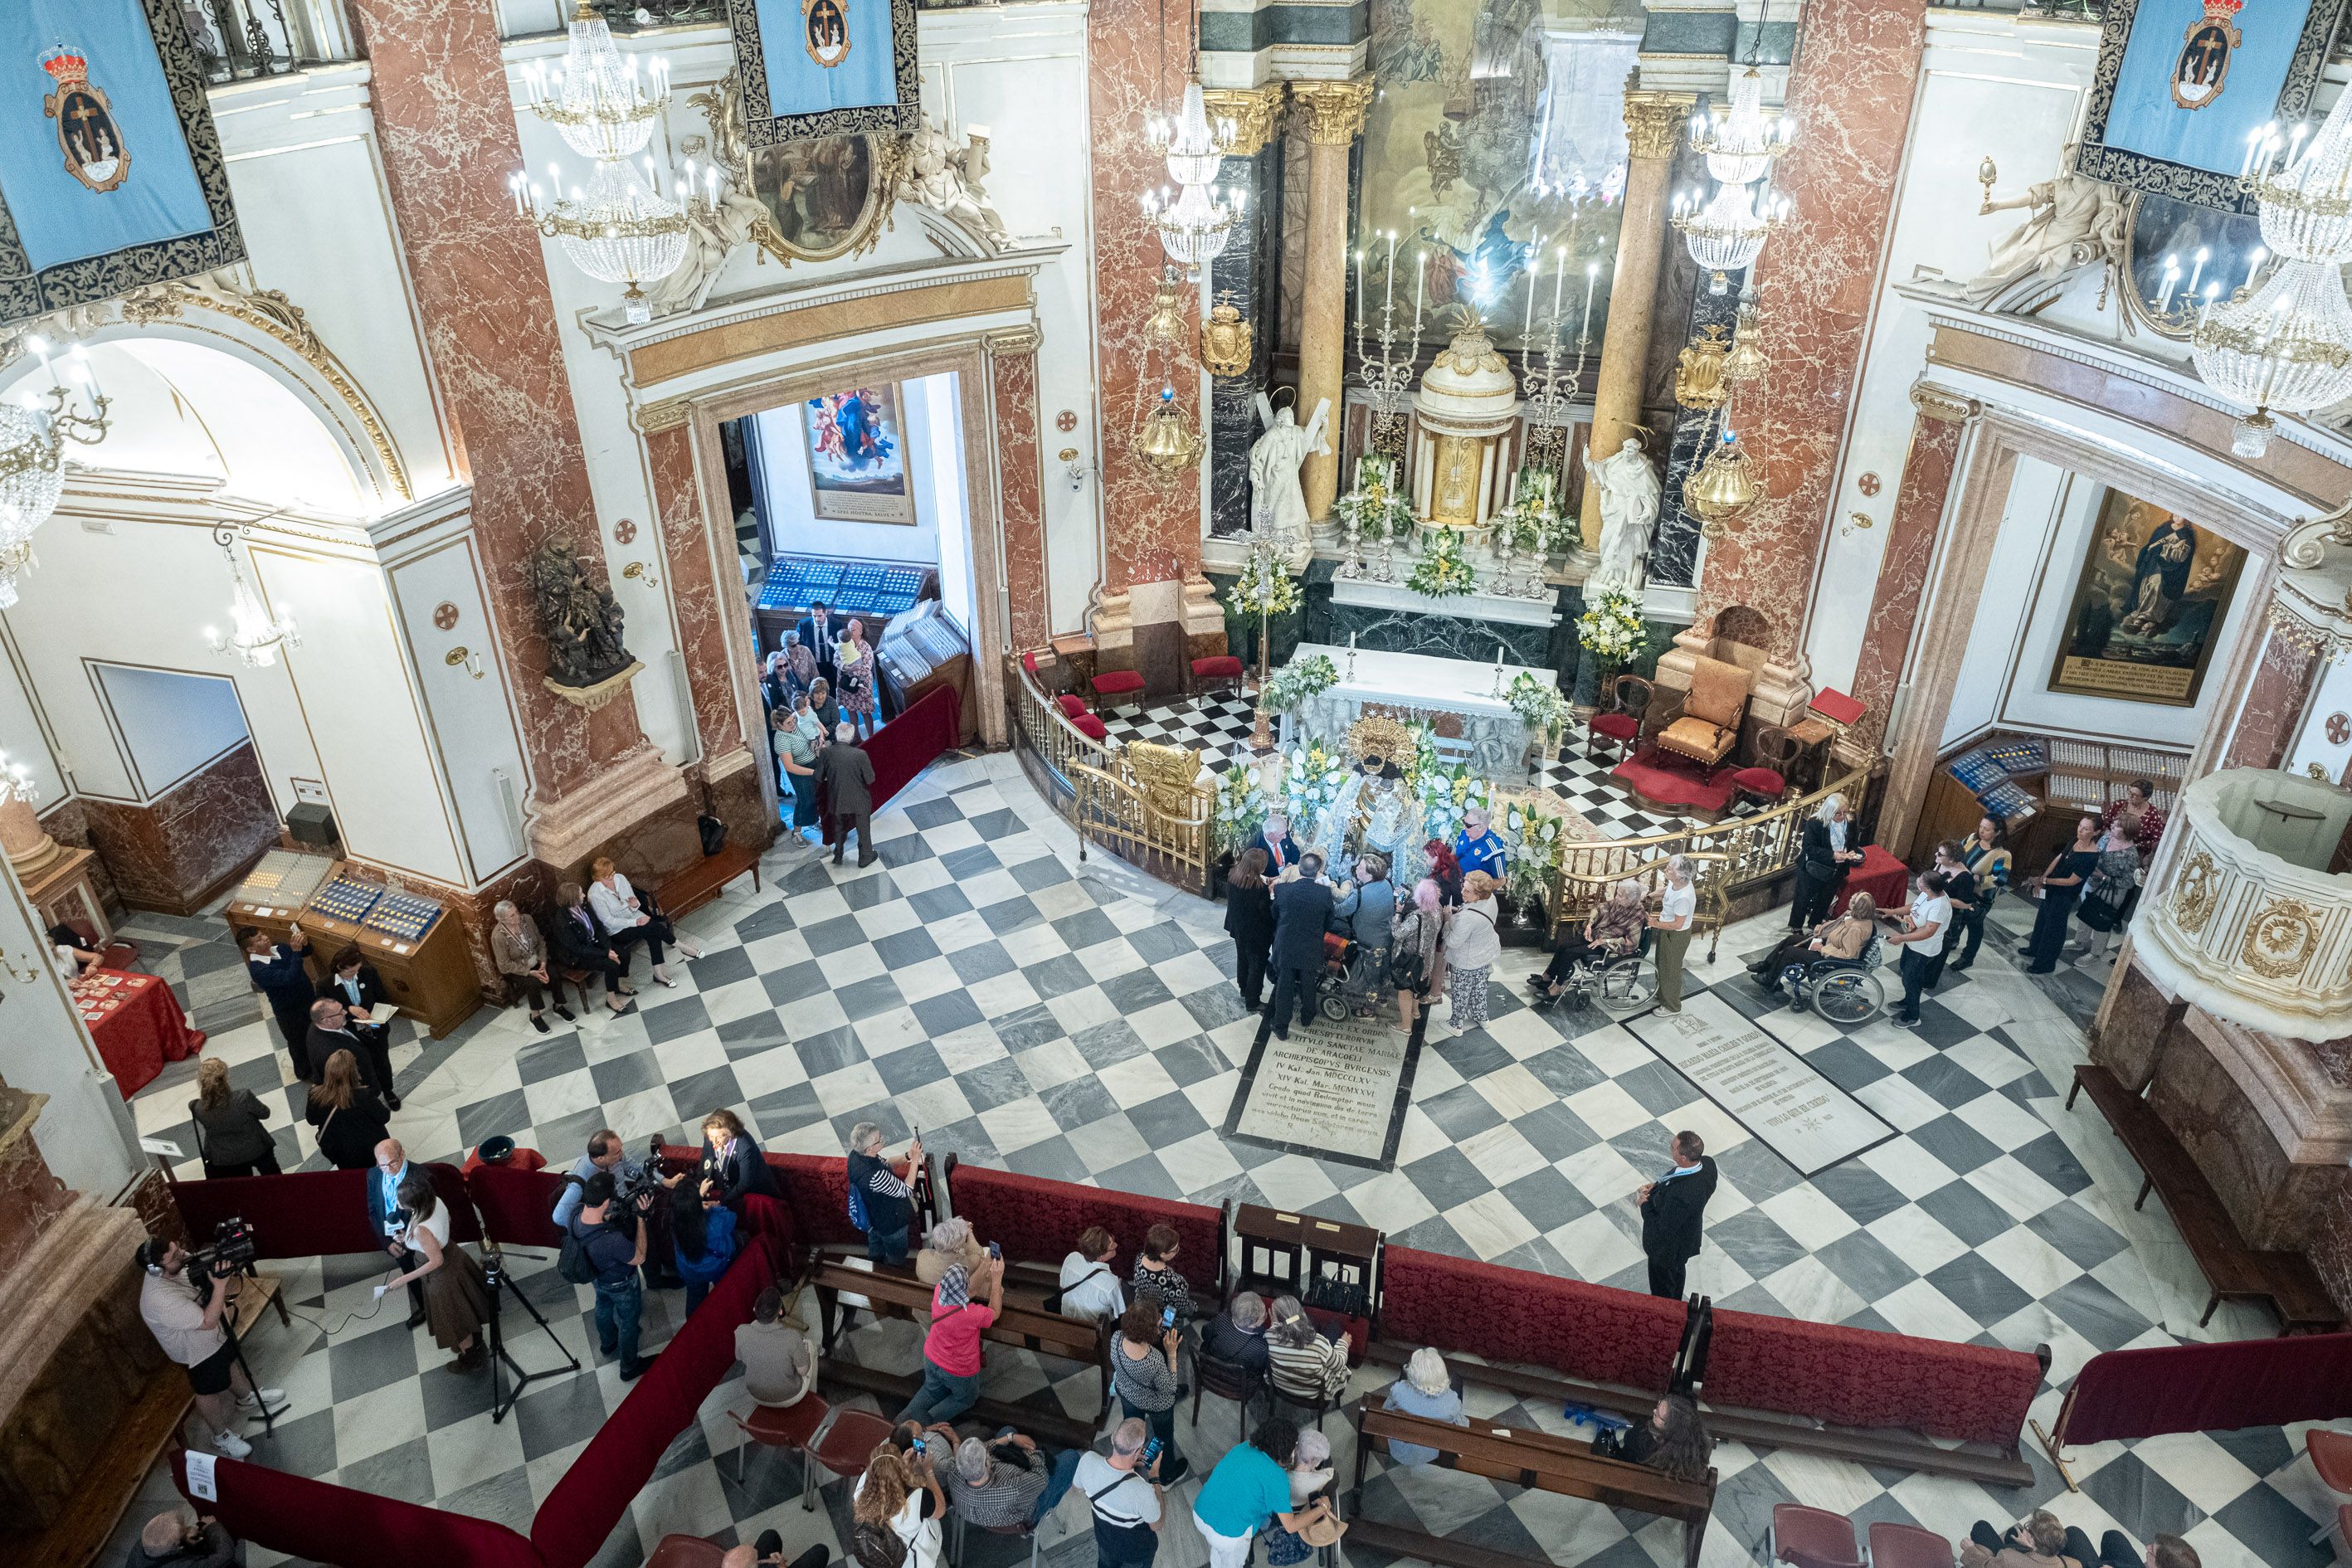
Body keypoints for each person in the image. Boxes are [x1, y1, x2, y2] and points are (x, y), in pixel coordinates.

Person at [136, 1237, 286, 1460]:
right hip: (194, 1349)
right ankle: (220, 1436)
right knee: (208, 1390)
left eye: (178, 1250)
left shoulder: (175, 1264)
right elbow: (207, 1322)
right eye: (175, 1257)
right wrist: (220, 1286)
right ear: (157, 1270)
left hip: (209, 1330)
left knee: (228, 1360)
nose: (182, 1256)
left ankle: (246, 1398)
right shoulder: (159, 1299)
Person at [378, 1172, 492, 1371]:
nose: (397, 1203)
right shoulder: (435, 1201)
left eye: (400, 1200)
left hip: (443, 1277)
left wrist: (403, 1279)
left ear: (413, 1204)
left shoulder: (422, 1228)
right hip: (455, 1258)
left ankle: (472, 1358)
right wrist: (410, 1237)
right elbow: (444, 1223)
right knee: (466, 1308)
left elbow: (436, 1260)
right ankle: (476, 1341)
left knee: (456, 1320)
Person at [1191, 1419, 1333, 1568]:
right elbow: (1291, 1526)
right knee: (1232, 1562)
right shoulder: (1277, 1478)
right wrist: (1322, 1508)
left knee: (1220, 1550)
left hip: (1201, 1511)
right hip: (1228, 1534)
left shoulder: (1244, 1447)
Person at [570, 1171, 655, 1380]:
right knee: (628, 1321)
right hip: (621, 1283)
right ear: (607, 1201)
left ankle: (608, 1343)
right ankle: (629, 1366)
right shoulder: (612, 1241)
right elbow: (640, 1257)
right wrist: (641, 1218)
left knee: (603, 1305)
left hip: (596, 1276)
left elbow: (599, 1220)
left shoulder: (576, 1214)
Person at [899, 1259, 1001, 1425]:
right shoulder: (972, 1315)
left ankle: (901, 1424)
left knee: (931, 1391)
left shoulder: (939, 1291)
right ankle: (924, 1425)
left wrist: (985, 1266)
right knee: (965, 1399)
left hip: (932, 1357)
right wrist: (997, 1279)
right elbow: (995, 1312)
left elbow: (968, 1291)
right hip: (958, 1370)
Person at [1255, 851, 1335, 1045]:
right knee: (1308, 981)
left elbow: (1274, 914)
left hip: (1287, 945)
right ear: (1318, 872)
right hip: (1310, 945)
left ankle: (1281, 1026)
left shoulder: (1283, 890)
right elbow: (1329, 922)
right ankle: (1308, 1016)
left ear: (1299, 869)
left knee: (1285, 984)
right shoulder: (1324, 893)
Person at [1531, 878, 1646, 1006]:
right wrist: (1589, 925)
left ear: (1630, 899)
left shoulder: (1637, 915)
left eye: (1620, 896)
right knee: (1563, 945)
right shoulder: (1620, 902)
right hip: (1597, 935)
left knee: (1570, 953)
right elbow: (1600, 907)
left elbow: (1632, 943)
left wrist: (1606, 940)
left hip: (1608, 947)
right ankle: (1547, 977)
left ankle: (1556, 988)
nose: (1616, 897)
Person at [590, 856, 701, 987]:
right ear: (598, 878)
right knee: (653, 928)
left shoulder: (620, 878)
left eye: (612, 873)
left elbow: (634, 901)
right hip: (618, 930)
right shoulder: (595, 894)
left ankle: (659, 974)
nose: (612, 878)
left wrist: (634, 906)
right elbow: (609, 922)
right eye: (607, 877)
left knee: (652, 931)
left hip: (635, 915)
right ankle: (682, 948)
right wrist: (635, 921)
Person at [1111, 1297, 1189, 1483]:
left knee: (1132, 1431)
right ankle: (1167, 1474)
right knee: (1163, 1438)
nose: (1161, 1319)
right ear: (1150, 1334)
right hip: (1156, 1404)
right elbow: (1169, 1388)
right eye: (1158, 1322)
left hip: (1127, 1393)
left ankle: (1131, 1461)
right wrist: (1171, 1353)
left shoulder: (1116, 1338)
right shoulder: (1153, 1359)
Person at [947, 1428, 1082, 1531]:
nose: (987, 1451)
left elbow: (981, 1449)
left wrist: (1009, 1438)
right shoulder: (1012, 1488)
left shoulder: (955, 1473)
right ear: (987, 1464)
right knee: (1072, 1457)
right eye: (987, 1455)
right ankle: (1052, 1501)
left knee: (1007, 1430)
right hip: (1027, 1511)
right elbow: (1041, 1476)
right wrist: (1031, 1453)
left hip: (989, 1516)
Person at [1637, 1130, 1717, 1301]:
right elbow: (1677, 1177)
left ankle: (1667, 1314)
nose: (1670, 1149)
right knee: (1677, 1272)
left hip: (1667, 1249)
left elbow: (1661, 1228)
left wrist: (1644, 1205)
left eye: (1673, 1148)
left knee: (1664, 1287)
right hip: (1686, 1237)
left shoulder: (1681, 1197)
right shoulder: (1708, 1165)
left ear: (1684, 1158)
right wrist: (1658, 1186)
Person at [1747, 894, 1877, 998]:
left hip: (1832, 958)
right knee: (1792, 939)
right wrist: (1842, 917)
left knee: (1791, 952)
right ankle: (1766, 965)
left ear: (1859, 908)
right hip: (1830, 945)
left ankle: (1770, 979)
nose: (1850, 899)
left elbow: (1847, 954)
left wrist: (1822, 949)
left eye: (1853, 900)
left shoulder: (1856, 929)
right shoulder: (1854, 918)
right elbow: (1830, 929)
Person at [1076, 1418, 1165, 1568]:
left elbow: (1078, 1488)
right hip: (1135, 1553)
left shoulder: (1087, 1460)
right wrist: (1155, 1477)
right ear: (1137, 1450)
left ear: (1113, 1437)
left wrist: (1129, 1463)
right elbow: (1157, 1524)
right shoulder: (1142, 1490)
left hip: (1105, 1542)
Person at [317, 947, 397, 1104]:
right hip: (351, 1033)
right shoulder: (325, 984)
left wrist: (377, 1015)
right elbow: (323, 1012)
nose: (354, 974)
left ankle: (389, 1091)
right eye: (351, 972)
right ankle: (371, 1096)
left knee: (382, 1060)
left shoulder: (368, 973)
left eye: (357, 971)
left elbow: (382, 997)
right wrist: (348, 1009)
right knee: (362, 1066)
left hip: (374, 1027)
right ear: (340, 968)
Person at [2023, 816, 2102, 974]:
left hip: (2064, 895)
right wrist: (2042, 878)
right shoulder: (2075, 840)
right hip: (2052, 887)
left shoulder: (2091, 857)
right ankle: (2034, 948)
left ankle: (2045, 963)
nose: (2080, 830)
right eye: (2080, 825)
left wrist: (2046, 881)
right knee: (2042, 920)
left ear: (2096, 832)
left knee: (2053, 929)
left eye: (2086, 828)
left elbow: (2072, 881)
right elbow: (2059, 858)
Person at [365, 1137, 429, 1327]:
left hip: (419, 1238)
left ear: (402, 1154)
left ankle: (440, 1306)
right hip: (393, 1239)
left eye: (393, 1162)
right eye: (382, 1165)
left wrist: (409, 1236)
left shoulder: (421, 1175)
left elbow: (427, 1212)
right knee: (408, 1270)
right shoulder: (374, 1175)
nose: (388, 1169)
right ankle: (424, 1307)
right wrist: (387, 1243)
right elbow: (373, 1211)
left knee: (430, 1272)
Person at [549, 883, 637, 1015]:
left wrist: (608, 948)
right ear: (572, 899)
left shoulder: (584, 906)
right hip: (578, 956)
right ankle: (611, 998)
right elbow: (577, 949)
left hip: (594, 944)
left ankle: (619, 984)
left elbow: (598, 927)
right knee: (611, 965)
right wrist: (605, 953)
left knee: (624, 953)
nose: (584, 895)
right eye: (580, 894)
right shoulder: (561, 921)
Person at [240, 923, 314, 1079]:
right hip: (289, 1011)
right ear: (251, 949)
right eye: (259, 939)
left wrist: (304, 944)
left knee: (315, 1033)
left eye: (263, 934)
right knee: (298, 1042)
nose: (266, 938)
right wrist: (296, 952)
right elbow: (289, 978)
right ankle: (305, 1073)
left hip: (307, 999)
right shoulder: (259, 970)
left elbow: (304, 953)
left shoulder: (280, 947)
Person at [854, 1440, 945, 1568]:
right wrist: (928, 1471)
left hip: (885, 1554)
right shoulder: (917, 1498)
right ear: (899, 1469)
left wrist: (897, 1467)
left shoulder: (862, 1484)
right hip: (914, 1560)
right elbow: (940, 1510)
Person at [1257, 1428, 1336, 1567]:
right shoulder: (1326, 1477)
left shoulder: (1279, 1477)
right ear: (1316, 1462)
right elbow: (1332, 1474)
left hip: (1275, 1516)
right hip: (1305, 1513)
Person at [188, 1056, 277, 1178]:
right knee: (273, 1177)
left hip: (226, 1157)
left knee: (244, 1186)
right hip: (256, 1148)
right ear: (225, 1078)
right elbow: (265, 1114)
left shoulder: (196, 1107)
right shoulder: (243, 1097)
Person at [304, 1049, 391, 1173]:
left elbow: (311, 1120)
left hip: (340, 1150)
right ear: (353, 1071)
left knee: (352, 1176)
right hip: (370, 1148)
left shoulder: (315, 1095)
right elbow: (384, 1117)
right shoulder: (363, 1095)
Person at [846, 1120, 919, 1265]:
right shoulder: (876, 1176)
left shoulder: (855, 1156)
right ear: (869, 1149)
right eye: (879, 1140)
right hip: (891, 1222)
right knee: (896, 1255)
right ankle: (892, 1274)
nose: (882, 1141)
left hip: (872, 1216)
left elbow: (885, 1163)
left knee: (875, 1248)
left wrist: (907, 1156)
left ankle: (875, 1267)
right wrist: (916, 1159)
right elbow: (906, 1190)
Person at [490, 898, 569, 1032]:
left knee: (554, 973)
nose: (517, 917)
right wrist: (529, 971)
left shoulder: (527, 919)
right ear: (502, 920)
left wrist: (543, 961)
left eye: (516, 912)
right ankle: (535, 1016)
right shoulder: (498, 937)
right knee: (533, 983)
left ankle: (559, 1006)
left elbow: (540, 941)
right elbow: (504, 965)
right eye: (512, 916)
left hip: (536, 959)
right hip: (517, 968)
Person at [1884, 869, 1950, 1028]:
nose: (1917, 882)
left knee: (1911, 979)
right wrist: (1892, 911)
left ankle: (1913, 1016)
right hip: (1913, 944)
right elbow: (1914, 906)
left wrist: (1900, 938)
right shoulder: (1929, 894)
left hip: (1923, 949)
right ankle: (1908, 1000)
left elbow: (1928, 932)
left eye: (1920, 881)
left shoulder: (1939, 905)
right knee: (1905, 971)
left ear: (1927, 888)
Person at [1378, 1346, 1467, 1464]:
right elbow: (1462, 1426)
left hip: (1400, 1448)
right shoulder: (1452, 1402)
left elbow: (1385, 1412)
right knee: (1457, 1380)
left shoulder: (1398, 1390)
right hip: (1430, 1452)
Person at [1596, 1395, 1713, 1483]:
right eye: (1657, 1406)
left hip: (1631, 1479)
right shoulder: (1699, 1447)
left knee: (1606, 1434)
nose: (1654, 1411)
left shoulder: (1641, 1439)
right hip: (1665, 1490)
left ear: (1670, 1426)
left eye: (1658, 1414)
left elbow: (1627, 1442)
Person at [1439, 869, 1502, 1034]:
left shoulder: (1468, 918)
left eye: (1467, 891)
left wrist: (1447, 921)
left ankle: (1456, 1024)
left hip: (1465, 960)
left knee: (1461, 991)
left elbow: (1453, 941)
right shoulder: (1491, 899)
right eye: (1463, 887)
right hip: (1484, 953)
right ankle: (1481, 1017)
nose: (1462, 892)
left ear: (1479, 895)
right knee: (1479, 988)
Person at [1790, 794, 1864, 931]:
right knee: (1803, 898)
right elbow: (1810, 848)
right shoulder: (1815, 823)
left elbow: (1853, 841)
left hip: (1837, 868)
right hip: (1813, 867)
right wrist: (1833, 855)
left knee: (1825, 898)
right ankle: (1796, 926)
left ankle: (1815, 923)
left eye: (1845, 812)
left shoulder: (1850, 821)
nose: (1842, 816)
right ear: (1829, 811)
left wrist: (1851, 853)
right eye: (1838, 813)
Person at [1329, 852, 1394, 1008]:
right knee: (1384, 971)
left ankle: (1368, 1010)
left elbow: (1339, 910)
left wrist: (1330, 888)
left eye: (1360, 867)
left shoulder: (1358, 895)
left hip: (1369, 944)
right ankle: (1383, 998)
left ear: (1369, 874)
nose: (1356, 868)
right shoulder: (1386, 884)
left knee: (1371, 977)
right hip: (1387, 937)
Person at [305, 997, 394, 1111]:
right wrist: (368, 1094)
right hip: (363, 1092)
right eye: (340, 1012)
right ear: (327, 1020)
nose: (345, 1012)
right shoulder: (330, 1052)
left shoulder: (321, 1026)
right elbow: (346, 1084)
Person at [738, 1284, 817, 1406]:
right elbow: (803, 1371)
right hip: (789, 1396)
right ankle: (812, 1396)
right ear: (780, 1312)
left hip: (755, 1395)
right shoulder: (792, 1336)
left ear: (755, 1309)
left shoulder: (742, 1332)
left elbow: (743, 1358)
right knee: (810, 1346)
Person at [1948, 817, 2010, 973]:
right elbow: (1957, 852)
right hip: (1962, 890)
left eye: (1987, 829)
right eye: (1981, 826)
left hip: (1980, 897)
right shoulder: (1972, 838)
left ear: (1997, 832)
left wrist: (1974, 877)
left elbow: (1999, 880)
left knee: (1975, 926)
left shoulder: (2002, 854)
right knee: (1957, 917)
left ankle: (1968, 957)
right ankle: (1953, 940)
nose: (1981, 831)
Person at [2072, 827, 2142, 963]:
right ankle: (2079, 942)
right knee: (2086, 912)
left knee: (2101, 920)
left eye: (2117, 826)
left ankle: (2096, 953)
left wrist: (2104, 877)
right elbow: (2095, 854)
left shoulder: (2131, 854)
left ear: (2126, 832)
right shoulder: (2106, 838)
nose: (2112, 827)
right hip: (2093, 882)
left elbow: (2128, 882)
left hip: (2112, 891)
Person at [1264, 1294, 1348, 1405]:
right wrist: (1344, 1343)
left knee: (1312, 1319)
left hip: (1281, 1386)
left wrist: (1274, 1324)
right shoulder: (1319, 1343)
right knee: (1334, 1326)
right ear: (1300, 1313)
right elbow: (1339, 1364)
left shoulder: (1269, 1336)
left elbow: (1284, 1324)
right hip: (1313, 1393)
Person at [1390, 877, 1444, 1045]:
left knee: (1405, 990)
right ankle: (1415, 1011)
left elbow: (1398, 934)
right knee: (1417, 987)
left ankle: (1405, 1026)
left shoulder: (1416, 918)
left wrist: (1398, 913)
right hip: (1427, 959)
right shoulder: (1438, 910)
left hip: (1411, 962)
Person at [672, 1180, 738, 1315]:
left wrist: (698, 1202)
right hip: (716, 1267)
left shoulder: (671, 1220)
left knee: (694, 1297)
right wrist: (713, 1207)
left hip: (688, 1269)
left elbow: (687, 1213)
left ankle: (693, 1327)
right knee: (723, 1291)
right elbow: (732, 1218)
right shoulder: (713, 1221)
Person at [816, 720, 878, 867]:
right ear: (851, 737)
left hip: (836, 797)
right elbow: (870, 779)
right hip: (859, 798)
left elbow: (818, 777)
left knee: (838, 826)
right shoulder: (860, 754)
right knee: (863, 827)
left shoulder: (826, 753)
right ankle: (865, 857)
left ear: (837, 735)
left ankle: (838, 855)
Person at [1224, 847, 1276, 1013]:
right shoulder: (1259, 889)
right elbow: (1265, 914)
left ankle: (1243, 987)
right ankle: (1253, 1001)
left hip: (1238, 928)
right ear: (1258, 868)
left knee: (1242, 957)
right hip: (1255, 934)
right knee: (1257, 965)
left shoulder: (1233, 875)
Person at [702, 1108, 782, 1208]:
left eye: (719, 1137)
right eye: (711, 1136)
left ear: (731, 1133)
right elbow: (704, 1163)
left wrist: (721, 1202)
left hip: (750, 1192)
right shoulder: (712, 1134)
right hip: (726, 1186)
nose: (714, 1142)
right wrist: (699, 1190)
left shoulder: (745, 1148)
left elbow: (744, 1184)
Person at [1650, 855, 1697, 1013]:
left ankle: (1672, 1006)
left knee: (1670, 970)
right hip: (1667, 930)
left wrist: (1655, 924)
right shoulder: (1678, 882)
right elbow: (1667, 889)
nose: (1666, 869)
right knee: (1662, 965)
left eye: (1670, 868)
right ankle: (1662, 994)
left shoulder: (1684, 898)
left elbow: (1678, 924)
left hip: (1675, 935)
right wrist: (1651, 895)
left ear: (1680, 875)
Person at [123, 1507, 240, 1568]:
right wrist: (212, 1527)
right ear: (178, 1547)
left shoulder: (146, 1543)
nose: (188, 1528)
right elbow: (225, 1555)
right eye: (184, 1529)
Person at [775, 698, 823, 845]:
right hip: (800, 772)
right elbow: (790, 766)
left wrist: (819, 739)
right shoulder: (781, 739)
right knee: (805, 800)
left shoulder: (796, 725)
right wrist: (811, 773)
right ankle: (797, 832)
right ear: (779, 725)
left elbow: (812, 729)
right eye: (788, 723)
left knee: (816, 796)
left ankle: (814, 820)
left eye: (793, 721)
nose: (793, 724)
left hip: (812, 762)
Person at [1963, 1511, 2086, 1568]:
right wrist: (2030, 1548)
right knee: (2013, 1532)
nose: (2025, 1529)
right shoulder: (2072, 1564)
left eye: (2028, 1529)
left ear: (2033, 1541)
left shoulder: (2008, 1558)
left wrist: (1970, 1549)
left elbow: (1985, 1565)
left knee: (1981, 1527)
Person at [1059, 1225, 1125, 1322]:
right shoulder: (1111, 1283)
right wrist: (1118, 1288)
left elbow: (1062, 1285)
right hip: (1095, 1330)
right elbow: (1120, 1311)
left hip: (1067, 1317)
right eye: (1111, 1245)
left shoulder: (1071, 1258)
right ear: (1101, 1256)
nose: (1116, 1245)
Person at [1129, 1224, 1192, 1317]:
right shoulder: (1175, 1282)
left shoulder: (1140, 1258)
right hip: (1161, 1316)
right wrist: (1194, 1307)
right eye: (1175, 1250)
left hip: (1141, 1308)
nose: (1178, 1250)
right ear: (1162, 1254)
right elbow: (1185, 1309)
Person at [1202, 1289, 1269, 1371]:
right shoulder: (1260, 1346)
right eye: (1263, 1316)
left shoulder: (1221, 1319)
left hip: (1210, 1367)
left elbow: (1205, 1334)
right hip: (1236, 1380)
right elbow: (1258, 1368)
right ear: (1256, 1322)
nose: (1265, 1316)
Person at [2102, 777, 2166, 863]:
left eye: (2135, 795)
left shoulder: (2153, 815)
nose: (2130, 796)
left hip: (2131, 853)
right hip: (2109, 844)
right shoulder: (2119, 804)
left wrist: (2132, 845)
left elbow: (2155, 840)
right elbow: (2105, 821)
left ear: (2145, 798)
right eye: (2130, 792)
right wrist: (2108, 833)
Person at [916, 1216, 986, 1288]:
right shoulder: (966, 1266)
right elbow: (978, 1253)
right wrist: (969, 1231)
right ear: (956, 1248)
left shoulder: (922, 1255)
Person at [839, 616, 878, 739]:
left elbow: (866, 668)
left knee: (866, 712)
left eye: (853, 630)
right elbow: (837, 661)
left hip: (863, 684)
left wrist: (849, 669)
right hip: (847, 684)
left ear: (860, 632)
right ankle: (856, 736)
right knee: (851, 710)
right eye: (849, 629)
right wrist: (845, 667)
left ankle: (872, 737)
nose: (850, 632)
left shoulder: (865, 648)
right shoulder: (843, 644)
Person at [1452, 806, 1506, 884]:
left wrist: (1477, 890)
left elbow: (1501, 880)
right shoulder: (1464, 833)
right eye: (1464, 822)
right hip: (1457, 886)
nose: (1464, 827)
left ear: (1481, 827)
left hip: (1476, 893)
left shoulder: (1494, 849)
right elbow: (1457, 849)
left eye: (1468, 825)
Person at [797, 600, 841, 689]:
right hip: (814, 666)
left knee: (832, 690)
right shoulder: (803, 625)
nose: (817, 619)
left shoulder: (836, 624)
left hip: (831, 665)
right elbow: (800, 645)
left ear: (826, 613)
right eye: (814, 616)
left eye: (820, 616)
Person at [1249, 812, 1301, 878]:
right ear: (1271, 835)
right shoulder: (1255, 847)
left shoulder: (1282, 830)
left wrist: (1289, 865)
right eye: (1282, 834)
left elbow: (1295, 852)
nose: (1285, 837)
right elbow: (1254, 875)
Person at [1422, 839, 1463, 907]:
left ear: (1436, 858)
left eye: (1426, 857)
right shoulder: (1451, 864)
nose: (1424, 860)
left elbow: (1441, 906)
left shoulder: (1442, 881)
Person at [808, 674, 843, 742]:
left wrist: (823, 733)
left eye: (823, 693)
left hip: (829, 736)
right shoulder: (807, 703)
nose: (820, 696)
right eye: (817, 693)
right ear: (812, 693)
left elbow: (836, 723)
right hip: (811, 736)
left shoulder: (831, 702)